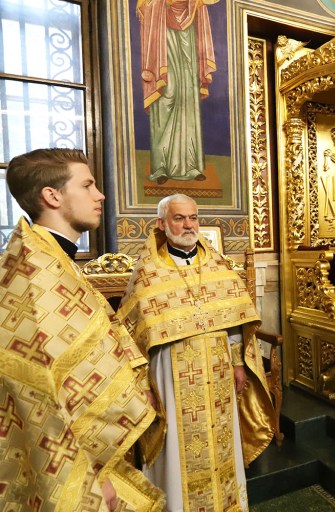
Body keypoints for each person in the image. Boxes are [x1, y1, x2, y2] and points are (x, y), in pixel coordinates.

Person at [0, 148, 164, 510]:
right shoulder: (35, 273)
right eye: (88, 185)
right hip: (75, 463)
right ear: (52, 196)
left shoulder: (48, 258)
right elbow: (39, 391)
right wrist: (89, 475)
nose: (100, 195)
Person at [117, 194, 275, 511]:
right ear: (162, 224)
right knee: (176, 449)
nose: (188, 225)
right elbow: (131, 337)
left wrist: (237, 364)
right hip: (170, 380)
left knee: (221, 445)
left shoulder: (217, 265)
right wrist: (144, 387)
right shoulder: (148, 273)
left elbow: (235, 324)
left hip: (218, 377)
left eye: (193, 218)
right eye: (179, 218)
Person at [137, 0, 220, 184]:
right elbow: (145, 6)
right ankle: (161, 166)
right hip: (163, 38)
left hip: (188, 39)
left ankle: (190, 165)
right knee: (168, 95)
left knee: (187, 99)